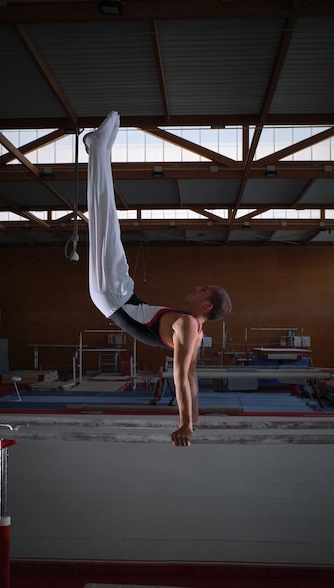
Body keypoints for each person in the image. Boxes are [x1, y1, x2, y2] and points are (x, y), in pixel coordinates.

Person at [85, 111, 232, 447]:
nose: (196, 287)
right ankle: (98, 149)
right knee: (107, 223)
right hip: (120, 294)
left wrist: (183, 425)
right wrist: (194, 416)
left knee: (106, 221)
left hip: (113, 295)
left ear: (206, 304)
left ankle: (96, 148)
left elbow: (179, 376)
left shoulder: (185, 327)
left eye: (203, 290)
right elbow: (192, 376)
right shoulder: (195, 330)